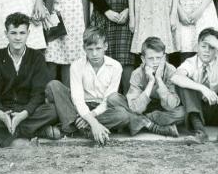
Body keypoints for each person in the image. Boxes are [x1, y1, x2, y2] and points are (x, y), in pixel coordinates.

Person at [45, 27, 177, 145]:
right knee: (54, 85)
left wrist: (92, 117)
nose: (94, 54)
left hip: (102, 109)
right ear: (84, 48)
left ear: (106, 47)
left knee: (122, 114)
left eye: (98, 49)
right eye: (90, 49)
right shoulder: (76, 65)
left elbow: (108, 99)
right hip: (80, 108)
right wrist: (93, 122)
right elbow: (77, 99)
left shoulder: (115, 66)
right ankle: (88, 129)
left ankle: (75, 127)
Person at [0, 13, 62, 147]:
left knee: (53, 110)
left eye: (22, 33)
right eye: (13, 33)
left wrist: (23, 114)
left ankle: (8, 136)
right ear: (6, 34)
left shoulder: (37, 58)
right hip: (4, 111)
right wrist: (1, 115)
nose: (18, 38)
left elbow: (38, 93)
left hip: (28, 111)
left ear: (28, 33)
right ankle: (34, 131)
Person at [170, 28, 218, 144]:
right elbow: (175, 77)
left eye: (212, 48)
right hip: (198, 112)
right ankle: (200, 132)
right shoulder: (191, 62)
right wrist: (203, 88)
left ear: (217, 50)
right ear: (197, 47)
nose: (207, 51)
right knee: (184, 83)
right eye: (204, 46)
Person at [124, 37, 185, 128]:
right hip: (145, 107)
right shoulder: (137, 73)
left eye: (159, 58)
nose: (155, 62)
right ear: (143, 59)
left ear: (164, 57)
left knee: (182, 112)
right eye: (151, 58)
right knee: (118, 102)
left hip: (163, 109)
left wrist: (159, 79)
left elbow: (172, 105)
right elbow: (135, 108)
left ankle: (145, 121)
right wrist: (151, 82)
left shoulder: (171, 70)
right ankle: (152, 124)